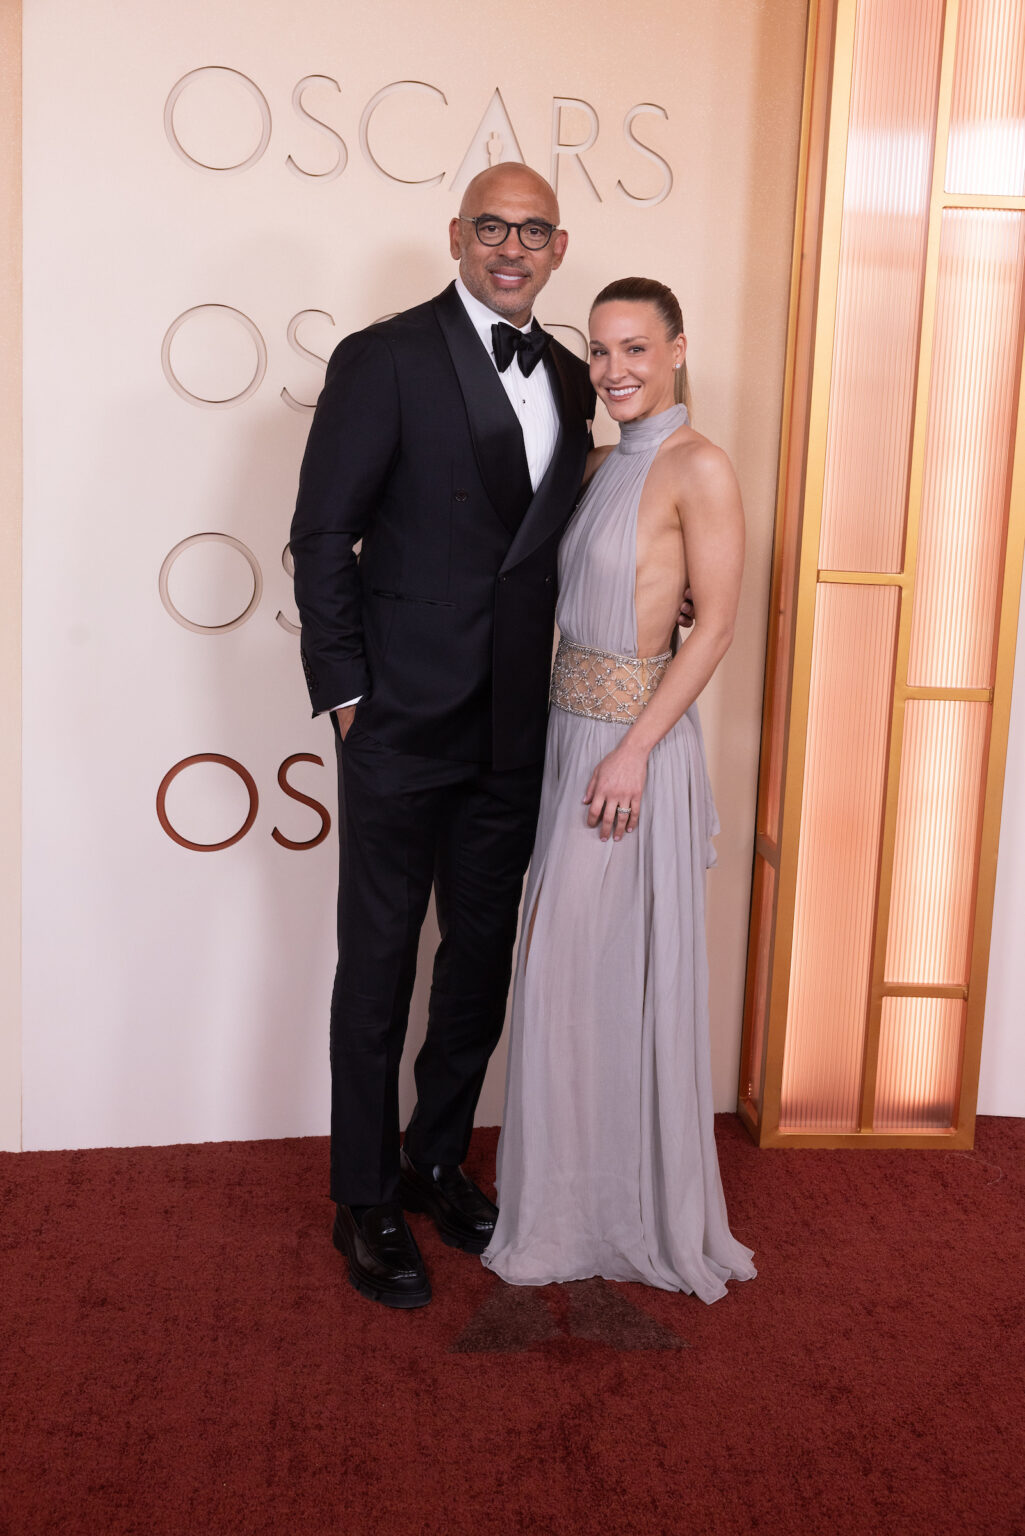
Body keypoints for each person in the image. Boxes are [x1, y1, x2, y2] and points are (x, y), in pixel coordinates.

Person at [289, 164, 595, 1309]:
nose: (508, 247)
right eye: (488, 227)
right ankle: (360, 1196)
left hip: (515, 722)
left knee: (474, 964)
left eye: (530, 231)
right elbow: (321, 533)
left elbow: (560, 541)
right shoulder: (384, 357)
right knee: (376, 966)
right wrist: (346, 694)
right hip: (402, 718)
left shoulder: (569, 376)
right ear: (455, 236)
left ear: (556, 248)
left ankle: (433, 1161)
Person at [482, 277, 757, 1303]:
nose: (613, 371)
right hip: (568, 735)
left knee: (594, 975)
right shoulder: (596, 463)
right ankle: (567, 1202)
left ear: (677, 350)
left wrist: (636, 748)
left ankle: (618, 1211)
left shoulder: (699, 467)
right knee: (563, 979)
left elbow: (717, 623)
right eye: (598, 352)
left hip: (629, 750)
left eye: (635, 349)